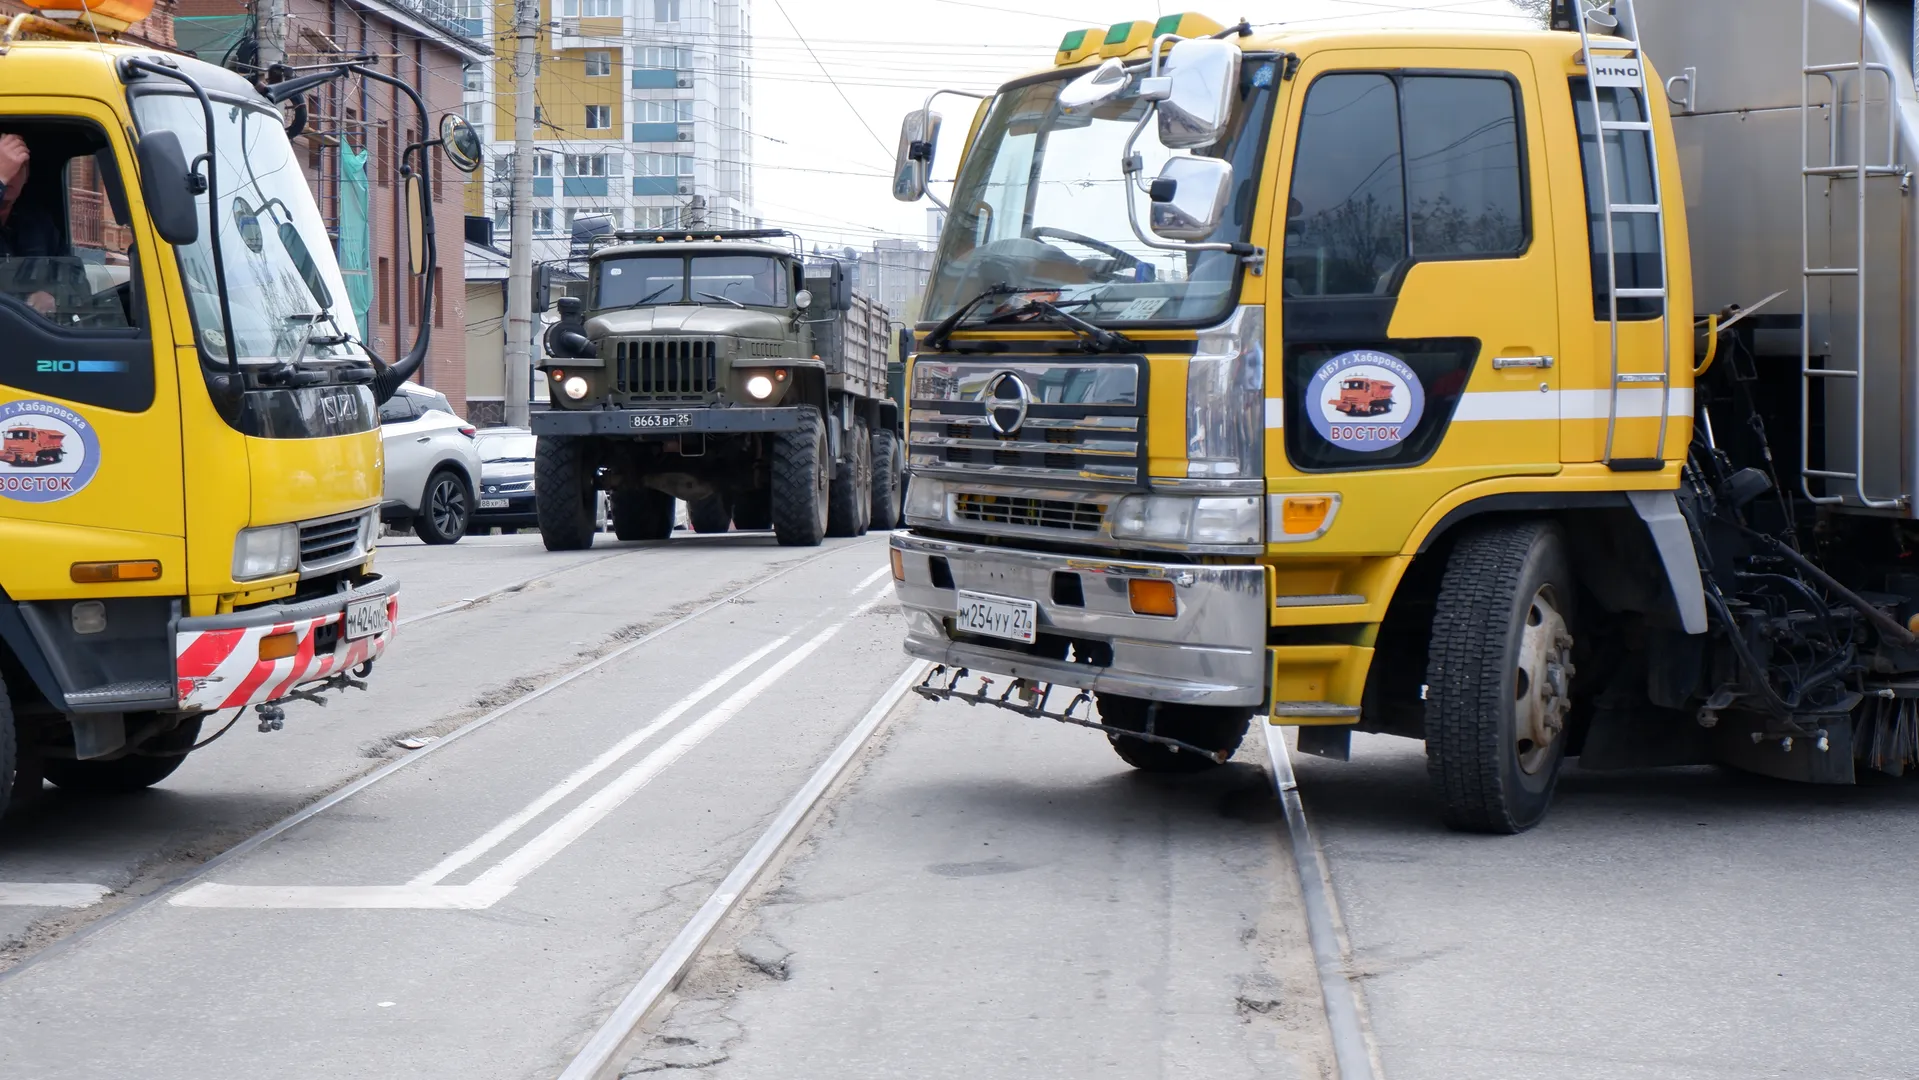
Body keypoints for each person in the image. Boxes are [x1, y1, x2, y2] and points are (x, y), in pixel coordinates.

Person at [0, 132, 60, 317]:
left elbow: (75, 278)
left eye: (19, 168)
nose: (12, 176)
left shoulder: (38, 223)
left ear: (27, 176)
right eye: (6, 167)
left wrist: (54, 295)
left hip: (33, 334)